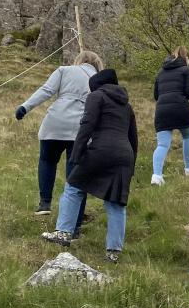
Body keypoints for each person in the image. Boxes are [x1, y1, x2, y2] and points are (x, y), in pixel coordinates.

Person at [41, 68, 139, 263]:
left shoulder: (96, 96)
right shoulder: (126, 106)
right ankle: (113, 252)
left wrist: (76, 155)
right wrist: (131, 166)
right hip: (124, 156)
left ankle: (64, 232)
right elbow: (133, 138)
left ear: (96, 85)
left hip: (101, 150)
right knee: (116, 202)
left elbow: (87, 125)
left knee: (73, 187)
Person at [16, 49, 103, 217]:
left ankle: (45, 203)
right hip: (80, 128)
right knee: (75, 172)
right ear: (97, 64)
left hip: (55, 122)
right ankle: (73, 214)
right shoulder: (98, 79)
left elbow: (46, 90)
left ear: (79, 60)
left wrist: (25, 107)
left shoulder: (64, 70)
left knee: (47, 160)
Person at [151, 46, 189, 185]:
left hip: (162, 110)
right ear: (185, 58)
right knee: (188, 136)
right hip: (180, 108)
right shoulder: (186, 70)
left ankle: (156, 176)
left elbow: (156, 95)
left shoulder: (161, 72)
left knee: (162, 144)